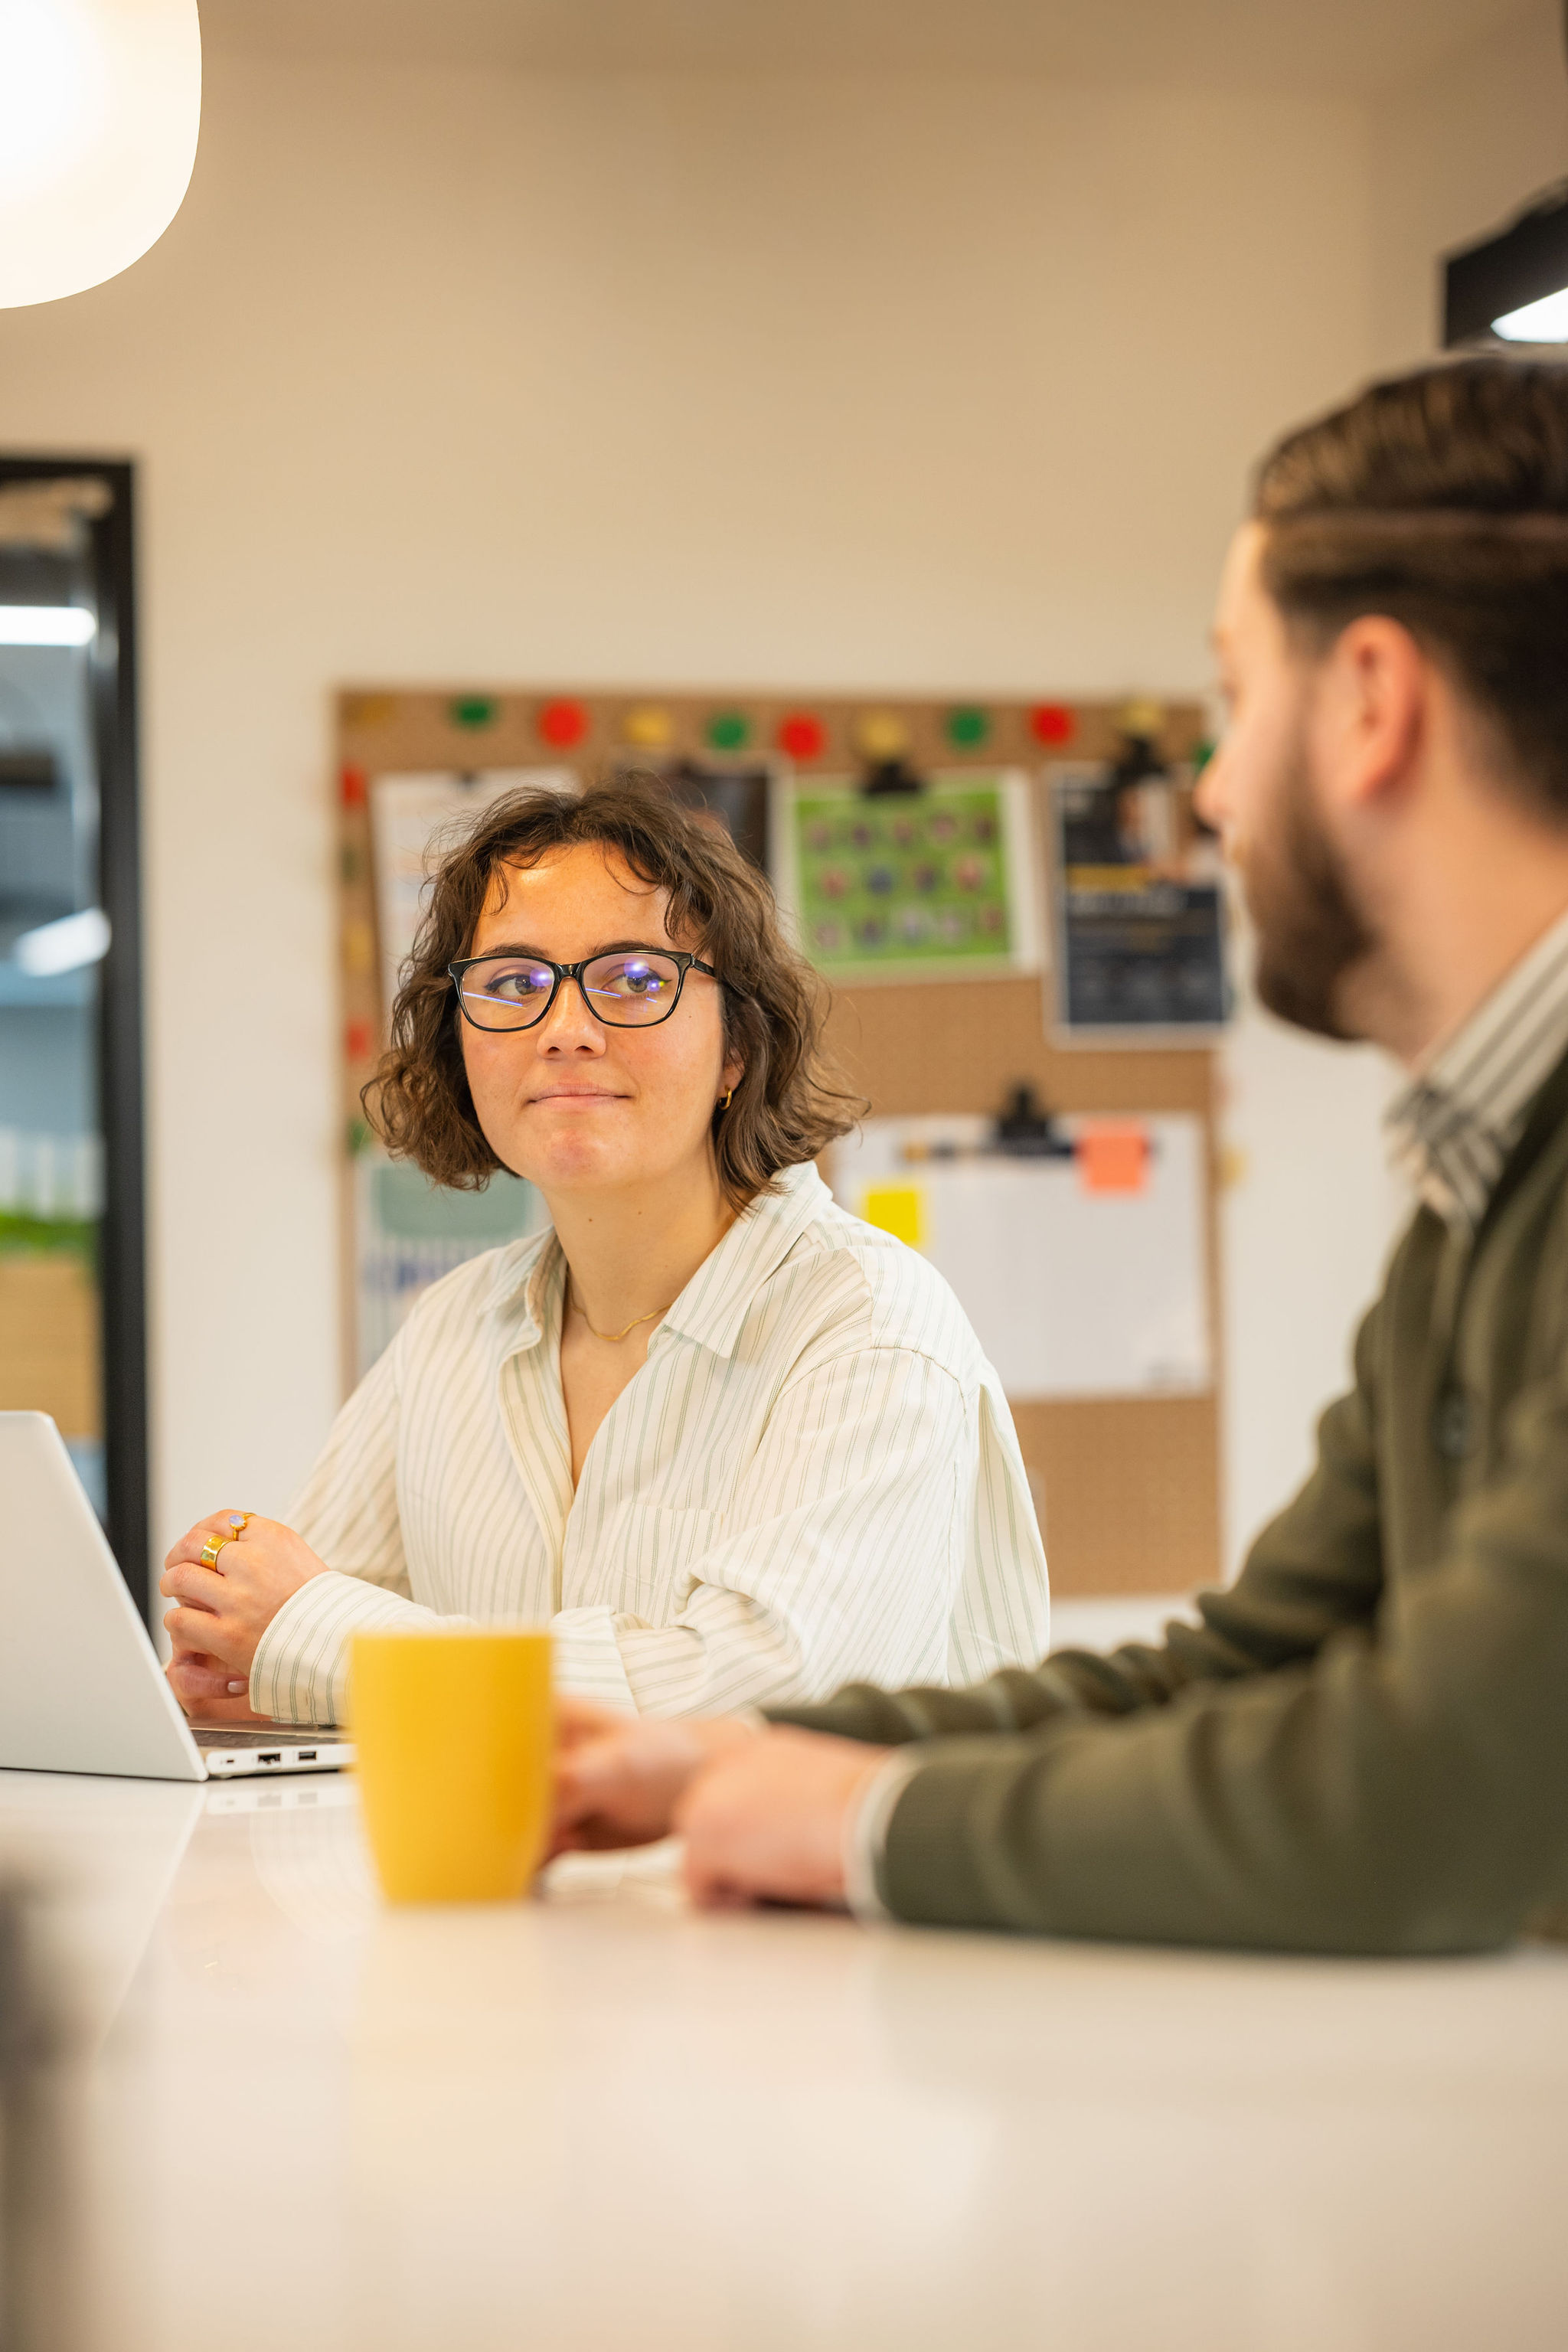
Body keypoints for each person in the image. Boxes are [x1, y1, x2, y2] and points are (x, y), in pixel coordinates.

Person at [552, 357, 1568, 1955]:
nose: (1214, 795)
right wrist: (780, 1757)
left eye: (1238, 704)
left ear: (1371, 701)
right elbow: (1257, 1666)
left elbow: (1421, 1793)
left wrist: (867, 1826)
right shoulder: (1480, 1181)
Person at [159, 779, 1048, 1727]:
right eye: (511, 984)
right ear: (460, 1045)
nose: (565, 1031)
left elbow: (753, 1699)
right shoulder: (449, 1332)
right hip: (506, 1879)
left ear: (736, 1051)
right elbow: (289, 1643)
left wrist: (321, 1642)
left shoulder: (869, 1327)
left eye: (633, 979)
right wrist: (262, 1668)